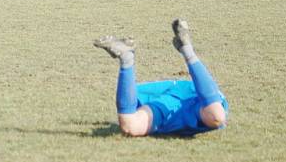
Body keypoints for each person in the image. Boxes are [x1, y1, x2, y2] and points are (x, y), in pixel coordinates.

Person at [93, 19, 228, 137]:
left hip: (188, 106)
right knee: (216, 116)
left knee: (216, 116)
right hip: (176, 99)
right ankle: (184, 48)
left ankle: (128, 57)